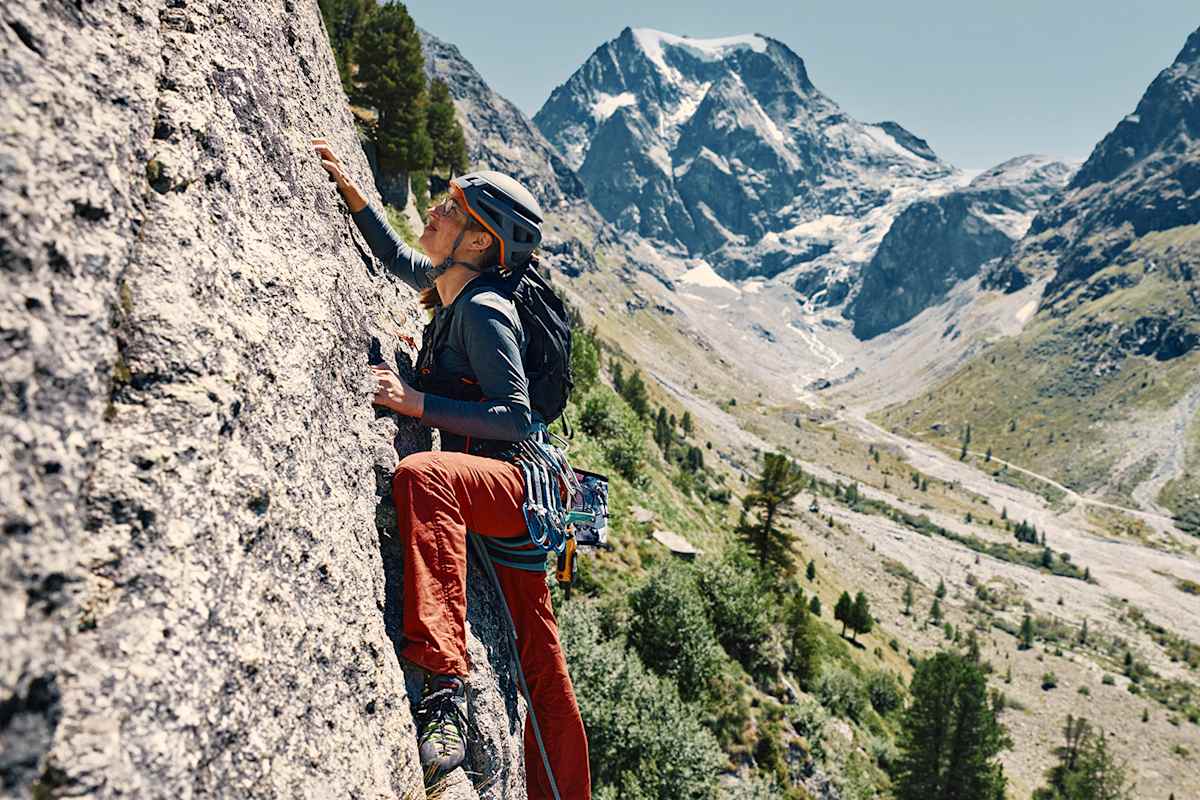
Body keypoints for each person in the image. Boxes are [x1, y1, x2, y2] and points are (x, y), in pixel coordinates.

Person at [312, 139, 590, 799]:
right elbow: (401, 258)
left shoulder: (486, 309)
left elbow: (516, 417)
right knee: (543, 667)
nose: (434, 211)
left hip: (511, 486)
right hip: (504, 495)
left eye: (451, 208)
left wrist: (416, 402)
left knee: (424, 477)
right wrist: (353, 195)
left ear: (475, 242)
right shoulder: (454, 283)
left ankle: (446, 698)